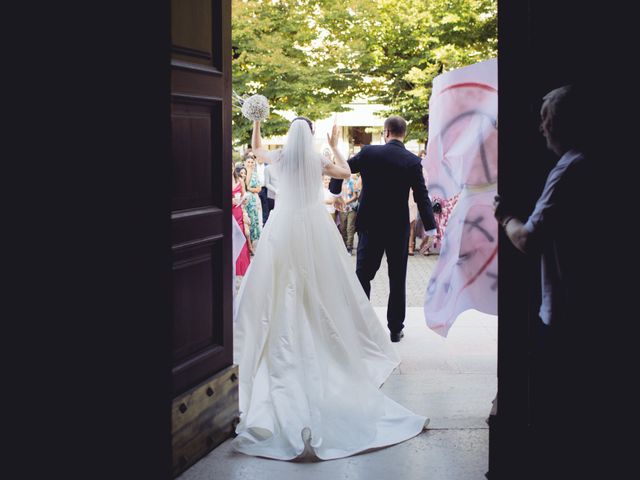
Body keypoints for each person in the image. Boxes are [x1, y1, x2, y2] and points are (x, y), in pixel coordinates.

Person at [233, 117, 429, 461]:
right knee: (325, 281)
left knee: (279, 281)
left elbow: (256, 150)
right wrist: (336, 144)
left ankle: (281, 327)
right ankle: (335, 328)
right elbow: (345, 173)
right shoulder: (316, 160)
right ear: (309, 136)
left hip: (283, 225)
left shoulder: (279, 159)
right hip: (313, 225)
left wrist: (257, 121)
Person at [494, 85, 601, 477]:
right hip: (584, 306)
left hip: (566, 310)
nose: (541, 128)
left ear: (565, 122)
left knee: (558, 410)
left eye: (546, 119)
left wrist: (506, 218)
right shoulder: (594, 161)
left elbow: (530, 238)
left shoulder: (570, 167)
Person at [328, 115, 437, 342]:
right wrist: (430, 227)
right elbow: (421, 196)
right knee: (397, 279)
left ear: (386, 133)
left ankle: (361, 326)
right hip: (397, 229)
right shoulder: (412, 161)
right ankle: (395, 329)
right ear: (403, 134)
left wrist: (335, 191)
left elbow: (344, 168)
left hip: (369, 225)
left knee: (363, 276)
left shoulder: (369, 153)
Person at [232, 165, 251, 276]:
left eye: (231, 166)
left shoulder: (239, 180)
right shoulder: (222, 179)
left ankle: (242, 267)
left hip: (238, 212)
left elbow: (245, 197)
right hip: (229, 213)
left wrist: (244, 201)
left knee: (241, 237)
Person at [243, 153, 263, 248]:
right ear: (244, 162)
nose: (250, 164)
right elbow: (245, 185)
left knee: (253, 221)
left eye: (252, 162)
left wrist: (250, 189)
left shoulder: (255, 174)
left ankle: (251, 243)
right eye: (248, 162)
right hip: (245, 201)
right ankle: (246, 245)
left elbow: (259, 189)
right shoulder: (242, 172)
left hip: (254, 201)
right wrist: (249, 172)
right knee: (246, 222)